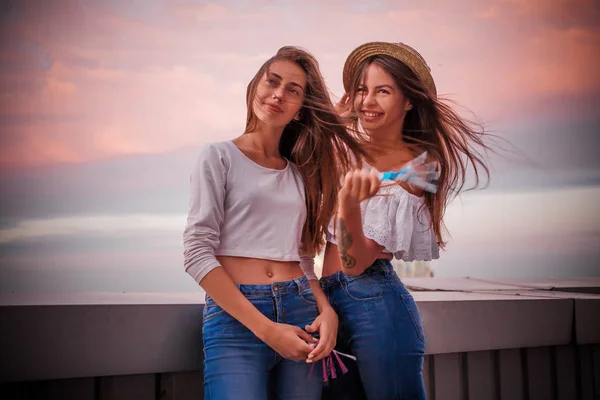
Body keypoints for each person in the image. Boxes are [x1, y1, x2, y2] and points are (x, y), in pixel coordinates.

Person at [183, 46, 364, 400]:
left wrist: (327, 311)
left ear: (300, 110)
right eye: (273, 82)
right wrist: (267, 330)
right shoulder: (218, 156)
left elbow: (299, 256)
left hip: (301, 311)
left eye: (293, 90)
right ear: (256, 87)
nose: (279, 94)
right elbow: (196, 252)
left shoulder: (298, 175)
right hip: (238, 321)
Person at [321, 41, 491, 399]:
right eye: (362, 90)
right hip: (326, 306)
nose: (368, 101)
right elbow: (311, 136)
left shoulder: (417, 169)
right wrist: (343, 115)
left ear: (410, 100)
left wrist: (348, 205)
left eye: (383, 91)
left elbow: (354, 264)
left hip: (376, 307)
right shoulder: (345, 151)